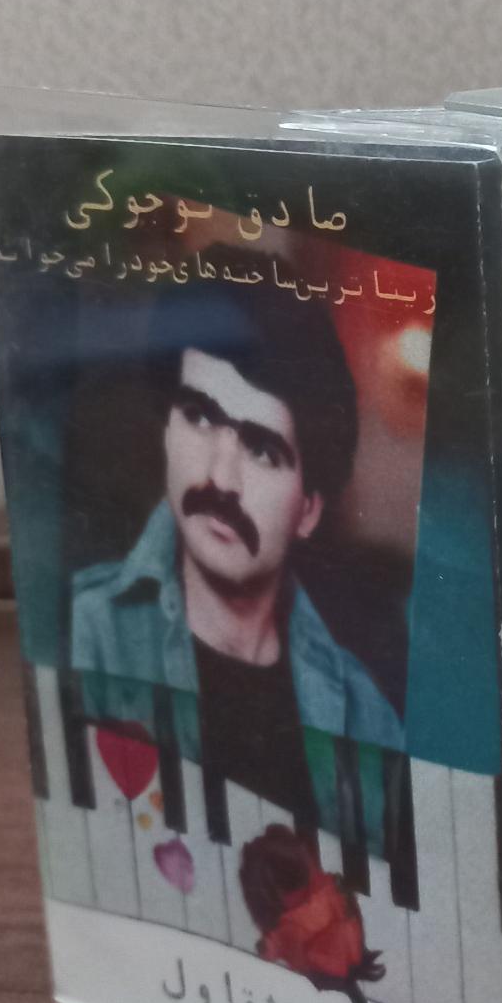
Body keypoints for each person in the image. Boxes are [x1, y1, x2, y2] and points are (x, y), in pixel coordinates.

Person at [70, 282, 403, 817]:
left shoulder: (368, 719)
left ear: (308, 511)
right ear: (165, 429)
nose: (221, 479)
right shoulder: (82, 631)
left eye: (263, 451)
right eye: (200, 417)